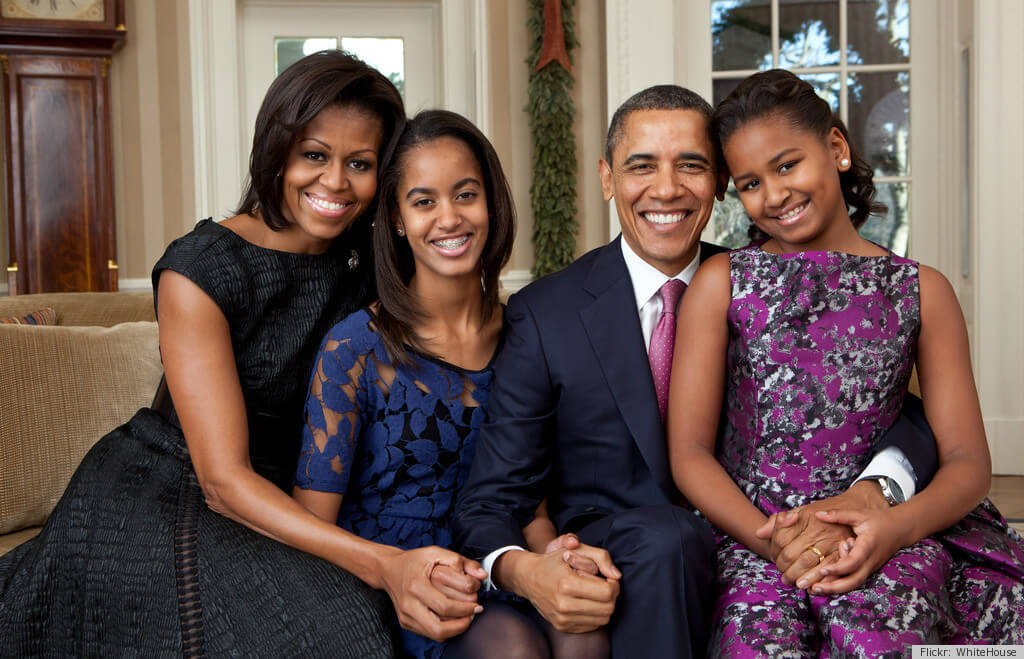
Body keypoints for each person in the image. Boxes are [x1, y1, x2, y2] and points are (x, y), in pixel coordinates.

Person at [451, 84, 940, 658]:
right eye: (642, 166)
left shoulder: (765, 281)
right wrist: (527, 569)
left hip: (772, 534)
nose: (666, 188)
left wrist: (882, 485)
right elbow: (490, 498)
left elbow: (886, 404)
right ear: (608, 178)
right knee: (669, 538)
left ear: (719, 184)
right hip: (632, 549)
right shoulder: (545, 313)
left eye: (691, 165)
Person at [0, 51, 409, 656]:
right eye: (314, 155)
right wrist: (382, 563)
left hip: (288, 494)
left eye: (361, 163)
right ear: (277, 150)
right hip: (167, 490)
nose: (335, 183)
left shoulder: (366, 264)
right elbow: (222, 479)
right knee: (340, 632)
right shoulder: (202, 268)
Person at [668, 68, 1024, 655]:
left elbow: (967, 462)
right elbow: (689, 454)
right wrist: (778, 543)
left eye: (787, 166)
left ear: (836, 148)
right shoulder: (722, 283)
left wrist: (890, 530)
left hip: (888, 533)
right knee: (757, 641)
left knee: (881, 633)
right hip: (757, 535)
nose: (774, 195)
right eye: (750, 182)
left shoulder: (922, 290)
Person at [292, 109, 608, 659]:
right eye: (424, 201)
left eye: (465, 195)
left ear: (491, 202)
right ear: (395, 217)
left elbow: (529, 502)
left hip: (500, 560)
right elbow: (312, 526)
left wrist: (557, 557)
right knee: (512, 647)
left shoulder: (528, 336)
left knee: (583, 635)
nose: (449, 218)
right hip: (398, 584)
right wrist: (391, 572)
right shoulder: (355, 349)